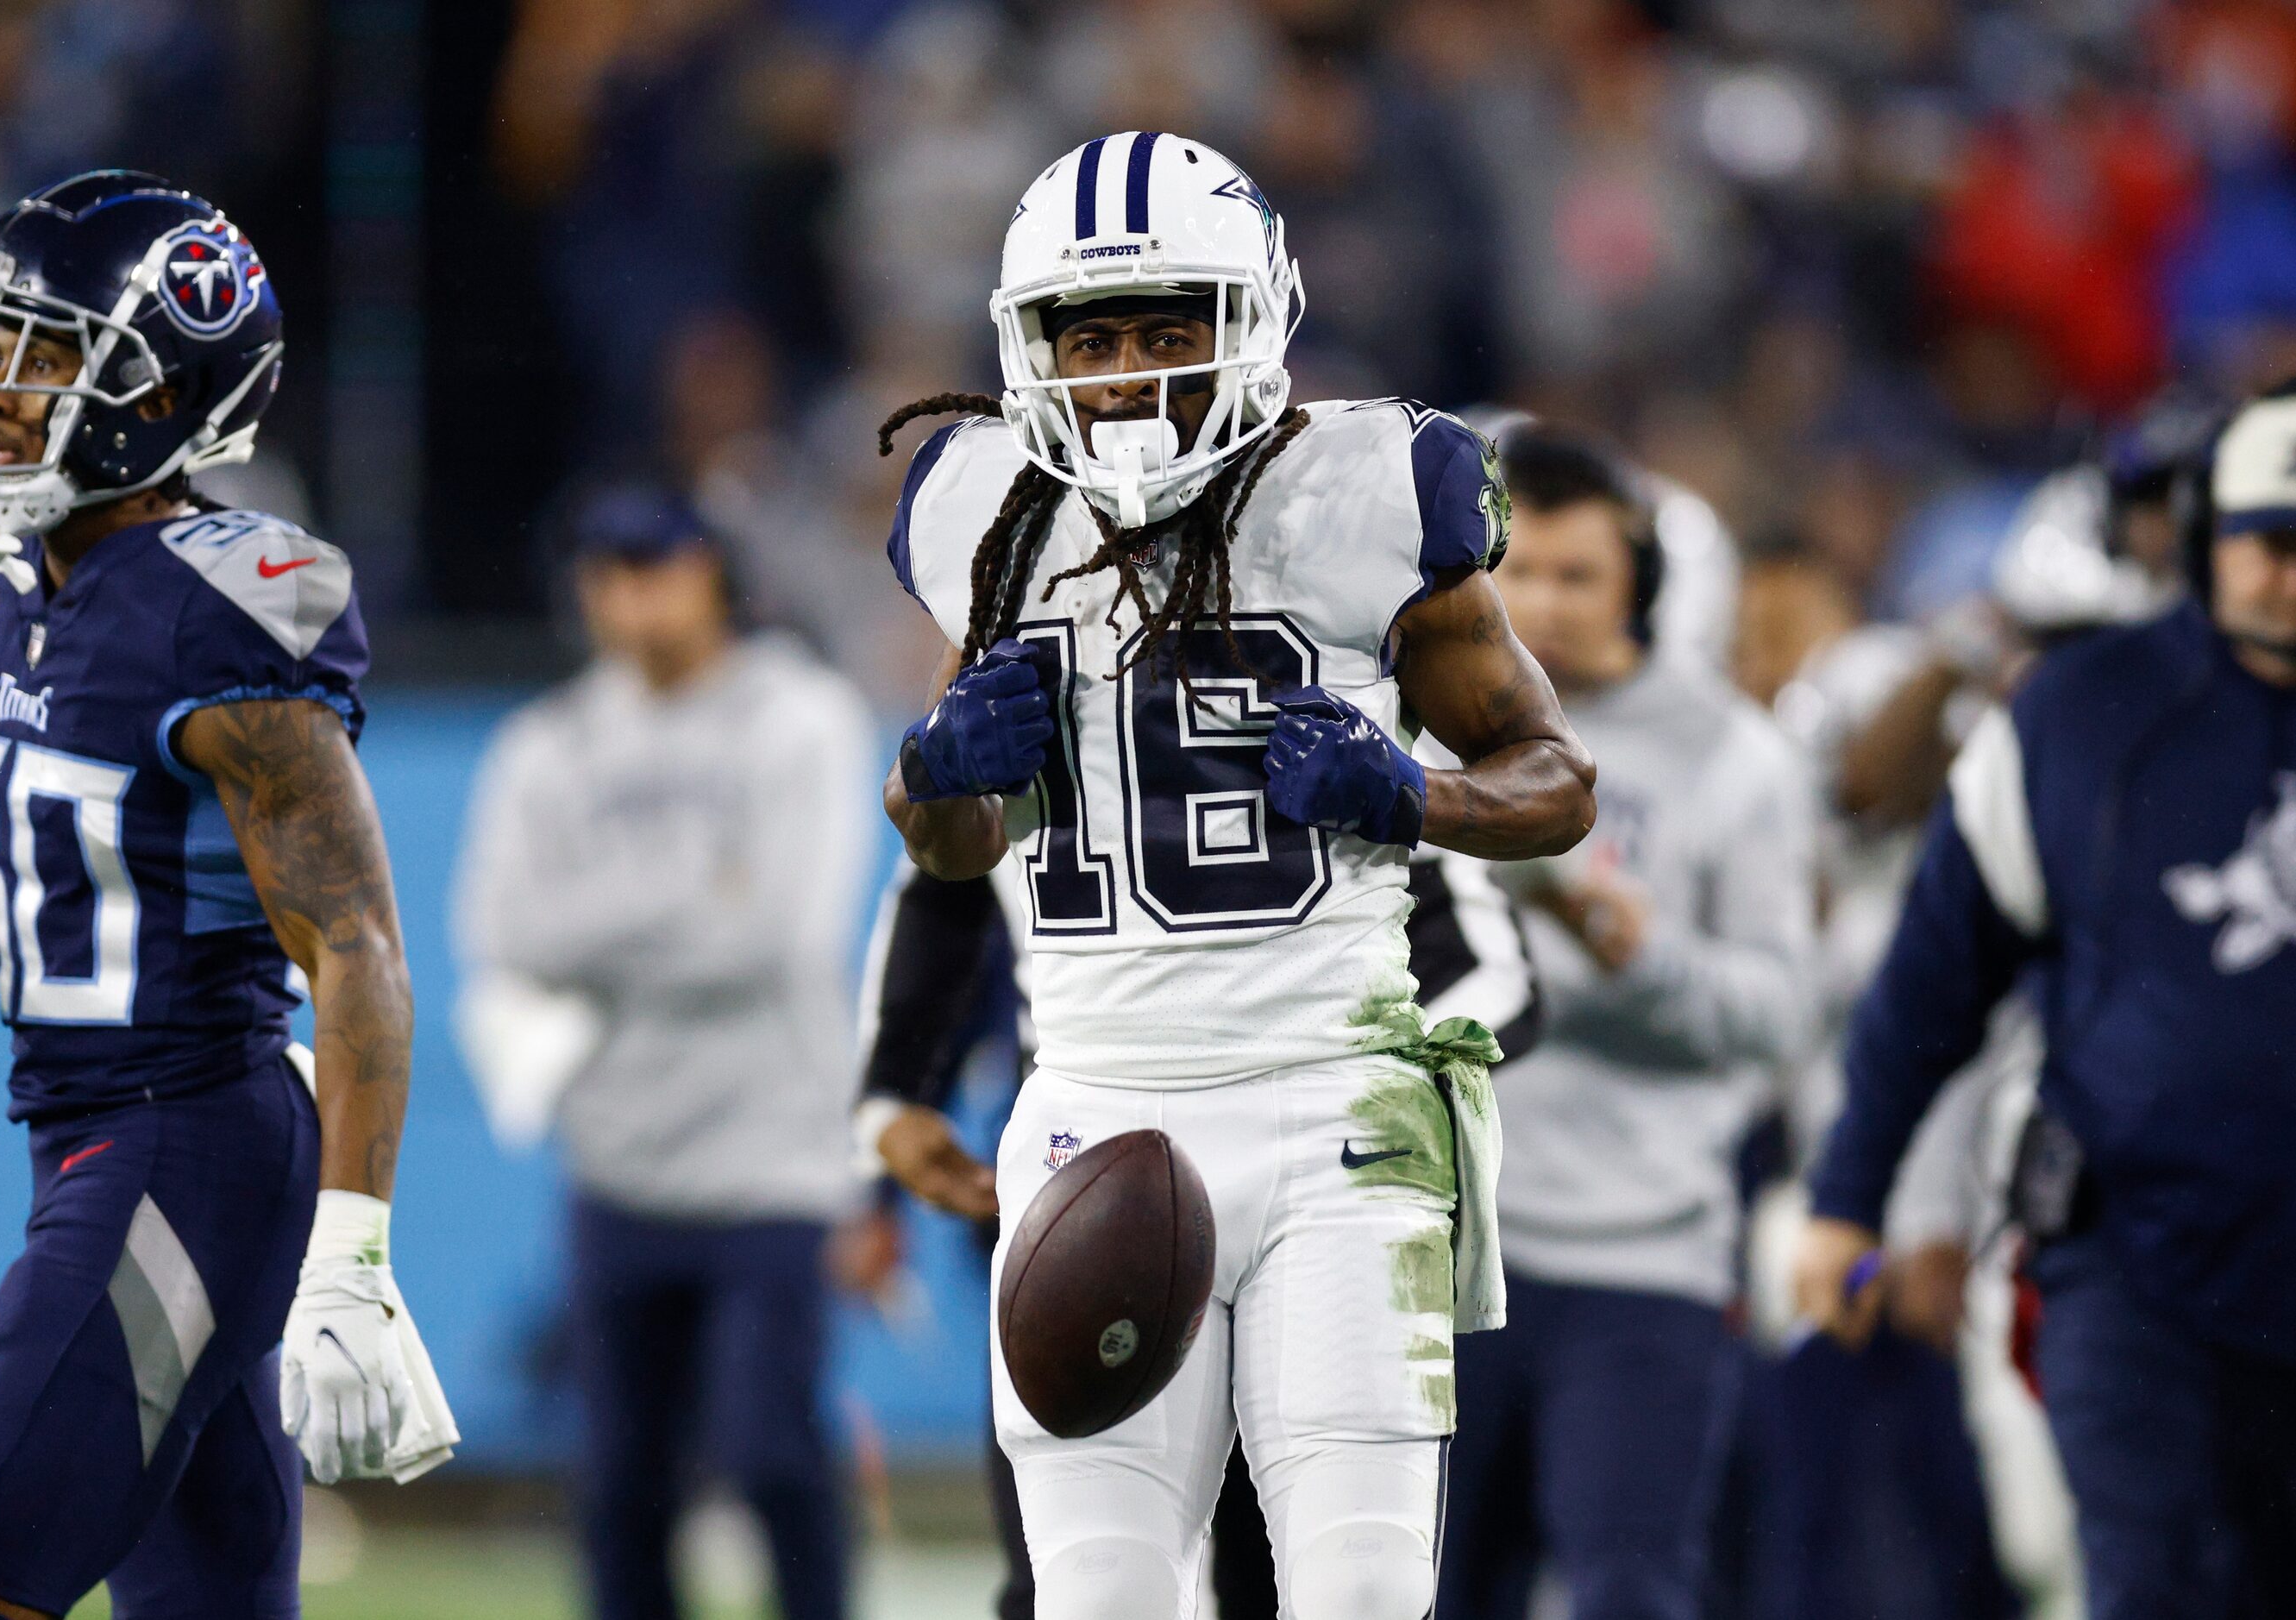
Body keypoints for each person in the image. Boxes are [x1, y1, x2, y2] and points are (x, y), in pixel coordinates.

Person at [879, 130, 1597, 1620]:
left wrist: (1413, 794)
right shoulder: (985, 517)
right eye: (1094, 336)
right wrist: (943, 776)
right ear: (1031, 350)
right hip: (1091, 1104)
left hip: (1339, 1109)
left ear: (1253, 319)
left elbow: (1557, 780)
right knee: (1099, 1600)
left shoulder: (1370, 490)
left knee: (1354, 1595)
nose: (1131, 371)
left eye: (1168, 327)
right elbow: (951, 848)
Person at [0, 172, 451, 1620]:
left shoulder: (224, 598)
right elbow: (16, 889)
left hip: (182, 1153)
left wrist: (355, 1249)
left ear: (159, 389)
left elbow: (356, 941)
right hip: (103, 1152)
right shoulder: (19, 584)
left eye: (44, 355)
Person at [1797, 383, 2296, 1618]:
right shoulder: (2080, 713)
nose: (2293, 577)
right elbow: (1933, 982)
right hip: (2129, 1259)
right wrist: (1849, 1198)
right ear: (2203, 542)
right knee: (2139, 1586)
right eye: (2271, 543)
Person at [853, 834, 1544, 1620]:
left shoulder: (1347, 716)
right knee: (1082, 1583)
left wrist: (1364, 1086)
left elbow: (1493, 963)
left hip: (1311, 1181)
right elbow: (940, 874)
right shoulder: (1020, 718)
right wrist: (891, 1099)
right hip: (1094, 1172)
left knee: (1340, 1575)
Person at [454, 486, 875, 1620]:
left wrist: (598, 923)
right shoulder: (548, 742)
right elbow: (501, 936)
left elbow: (777, 934)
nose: (626, 595)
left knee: (770, 1451)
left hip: (771, 1155)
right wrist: (693, 894)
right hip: (617, 1157)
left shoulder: (801, 716)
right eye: (604, 570)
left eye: (652, 566)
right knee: (620, 1488)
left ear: (713, 574)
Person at [1431, 428, 1819, 1620]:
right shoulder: (1420, 726)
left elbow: (1775, 1014)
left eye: (1576, 575)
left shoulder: (1733, 757)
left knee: (1630, 1594)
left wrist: (1632, 955)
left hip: (1642, 1253)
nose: (1539, 604)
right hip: (1440, 1248)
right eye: (1518, 568)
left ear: (1641, 590)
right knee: (1412, 1592)